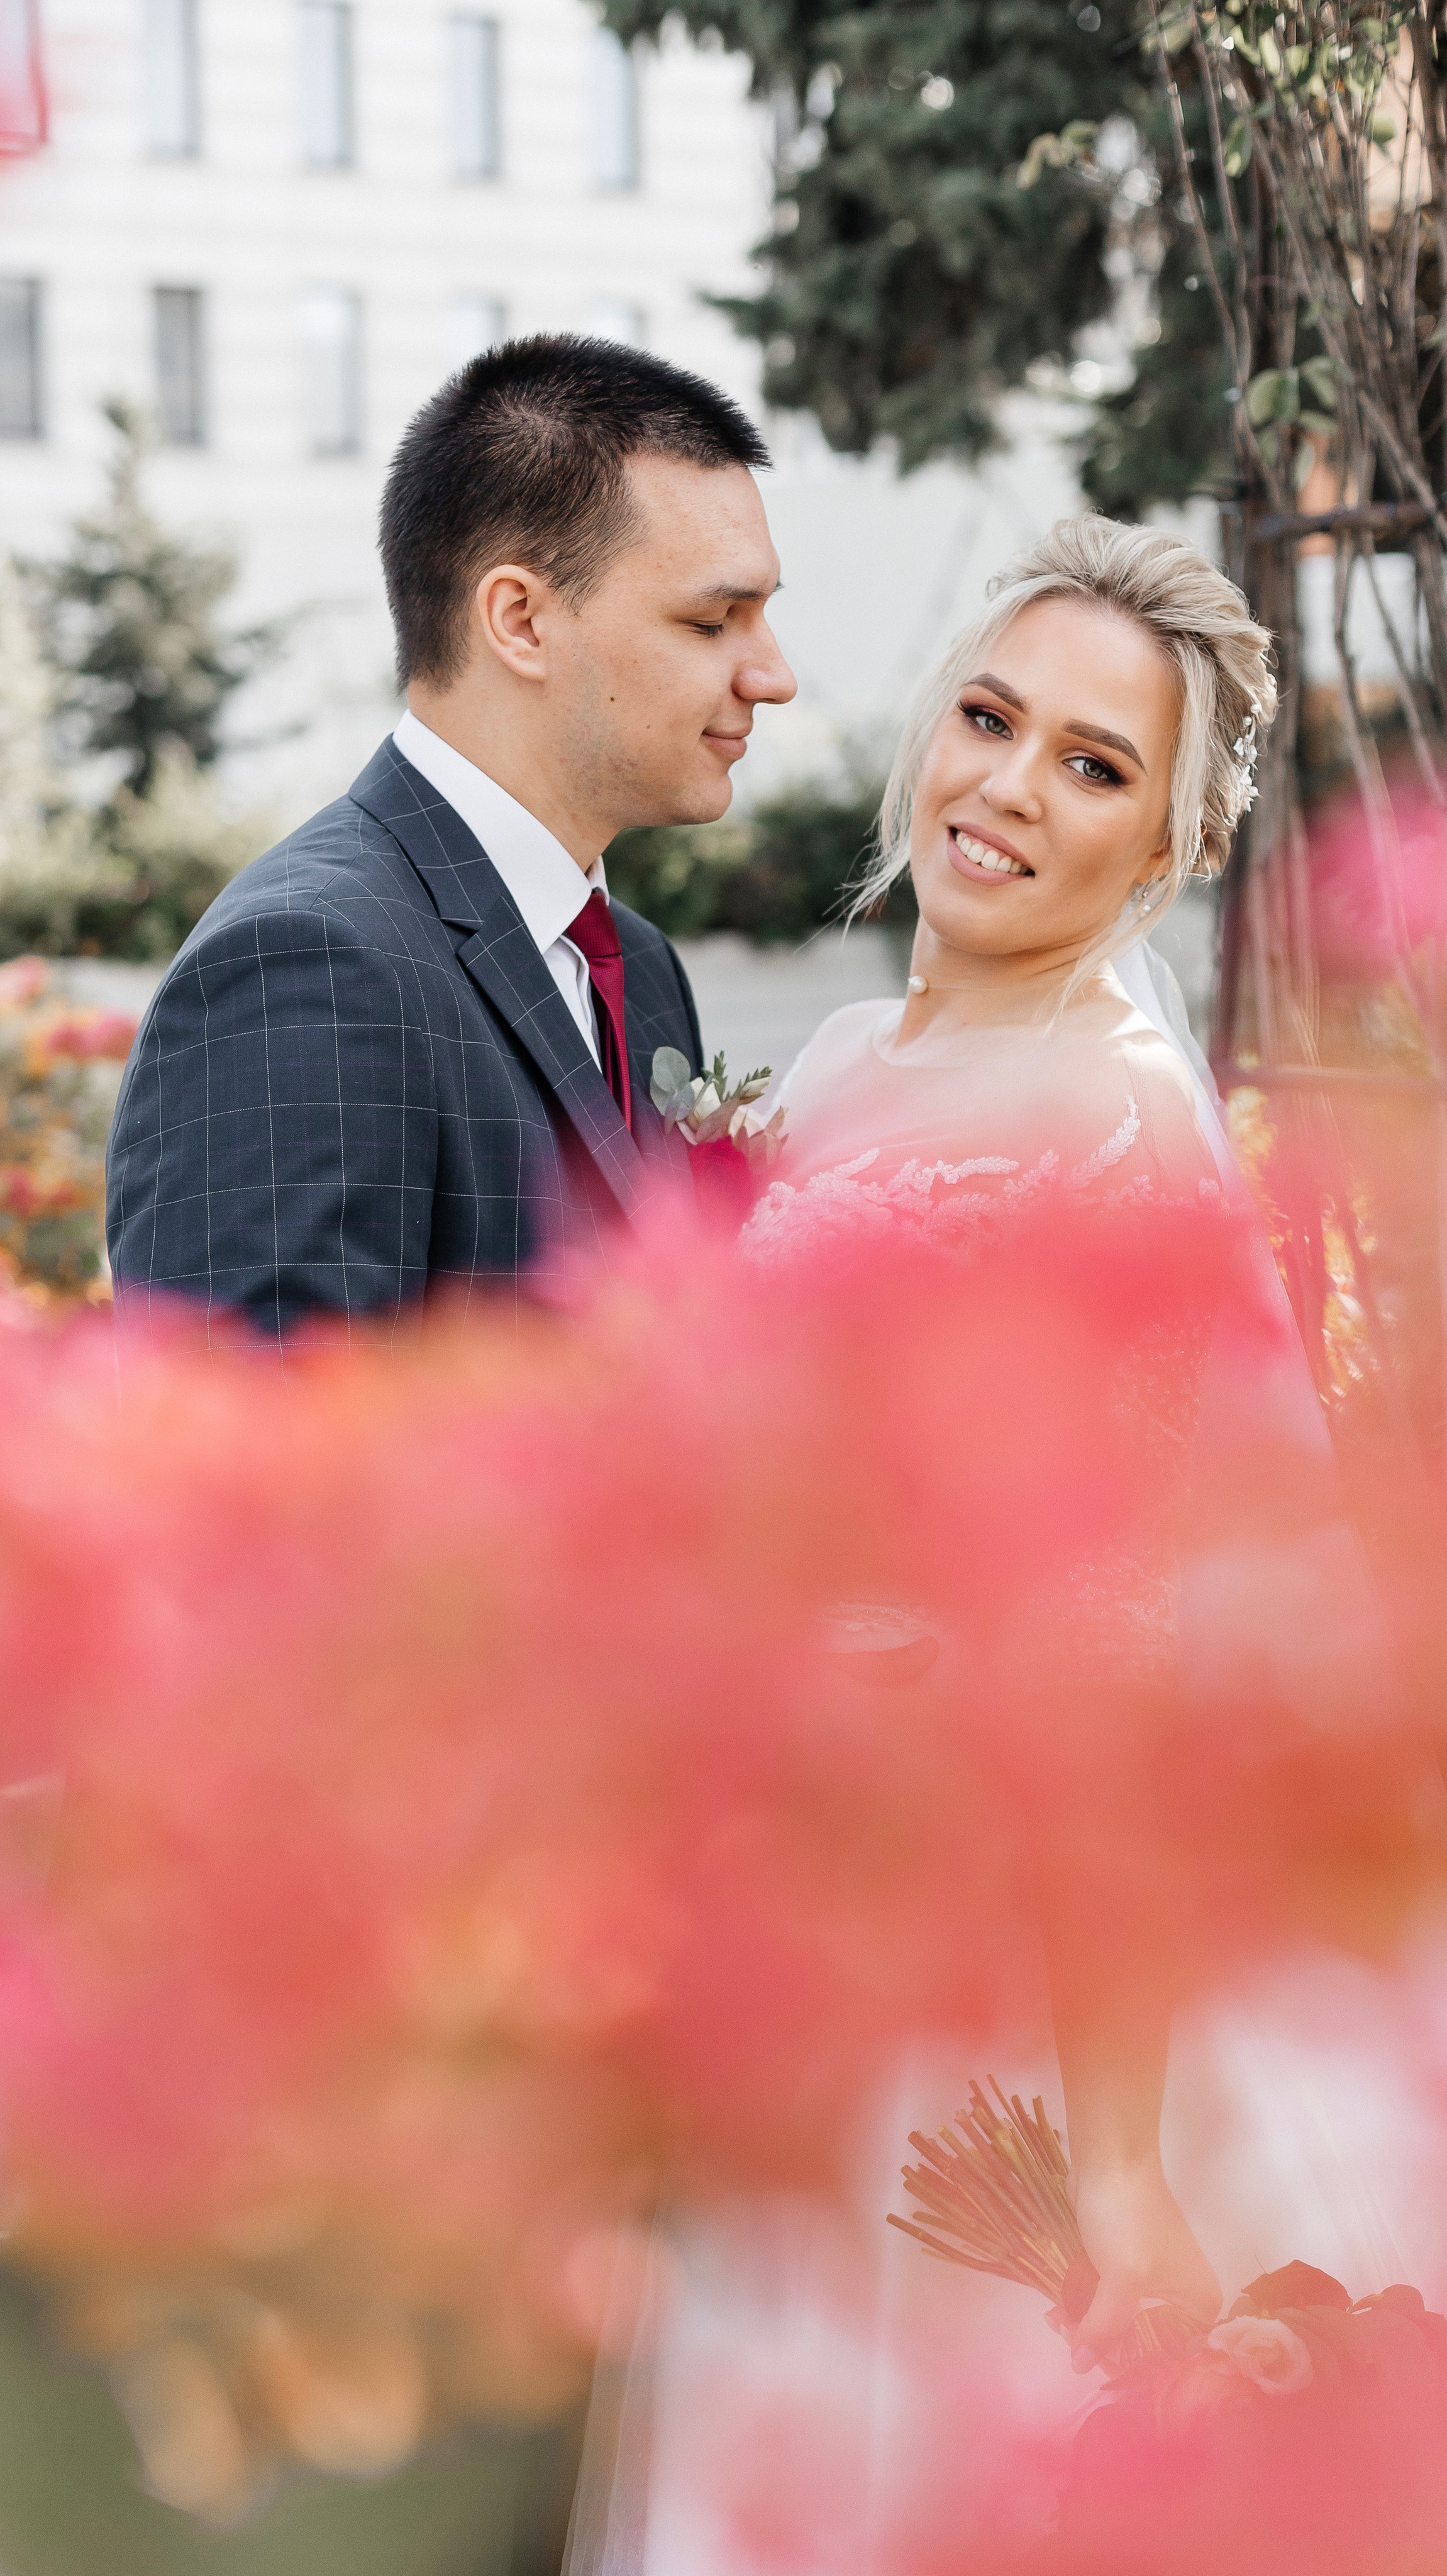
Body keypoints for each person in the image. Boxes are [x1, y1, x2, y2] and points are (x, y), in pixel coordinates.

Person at [106, 335, 796, 1341]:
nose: (771, 675)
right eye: (712, 622)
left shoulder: (640, 968)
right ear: (518, 619)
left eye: (764, 616)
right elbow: (254, 1464)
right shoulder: (308, 966)